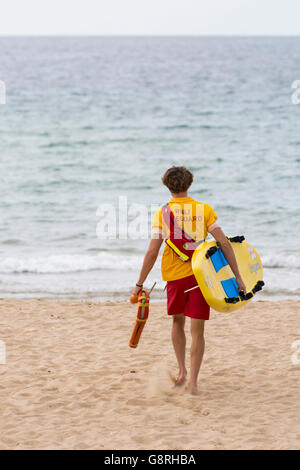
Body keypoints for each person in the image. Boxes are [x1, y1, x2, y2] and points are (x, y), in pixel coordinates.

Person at [131, 166, 246, 395]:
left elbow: (152, 252)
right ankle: (193, 381)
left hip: (175, 277)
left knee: (177, 322)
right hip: (201, 277)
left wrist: (140, 284)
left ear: (166, 185)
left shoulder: (162, 214)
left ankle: (182, 371)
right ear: (189, 184)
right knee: (198, 331)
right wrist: (238, 276)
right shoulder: (204, 210)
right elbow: (224, 244)